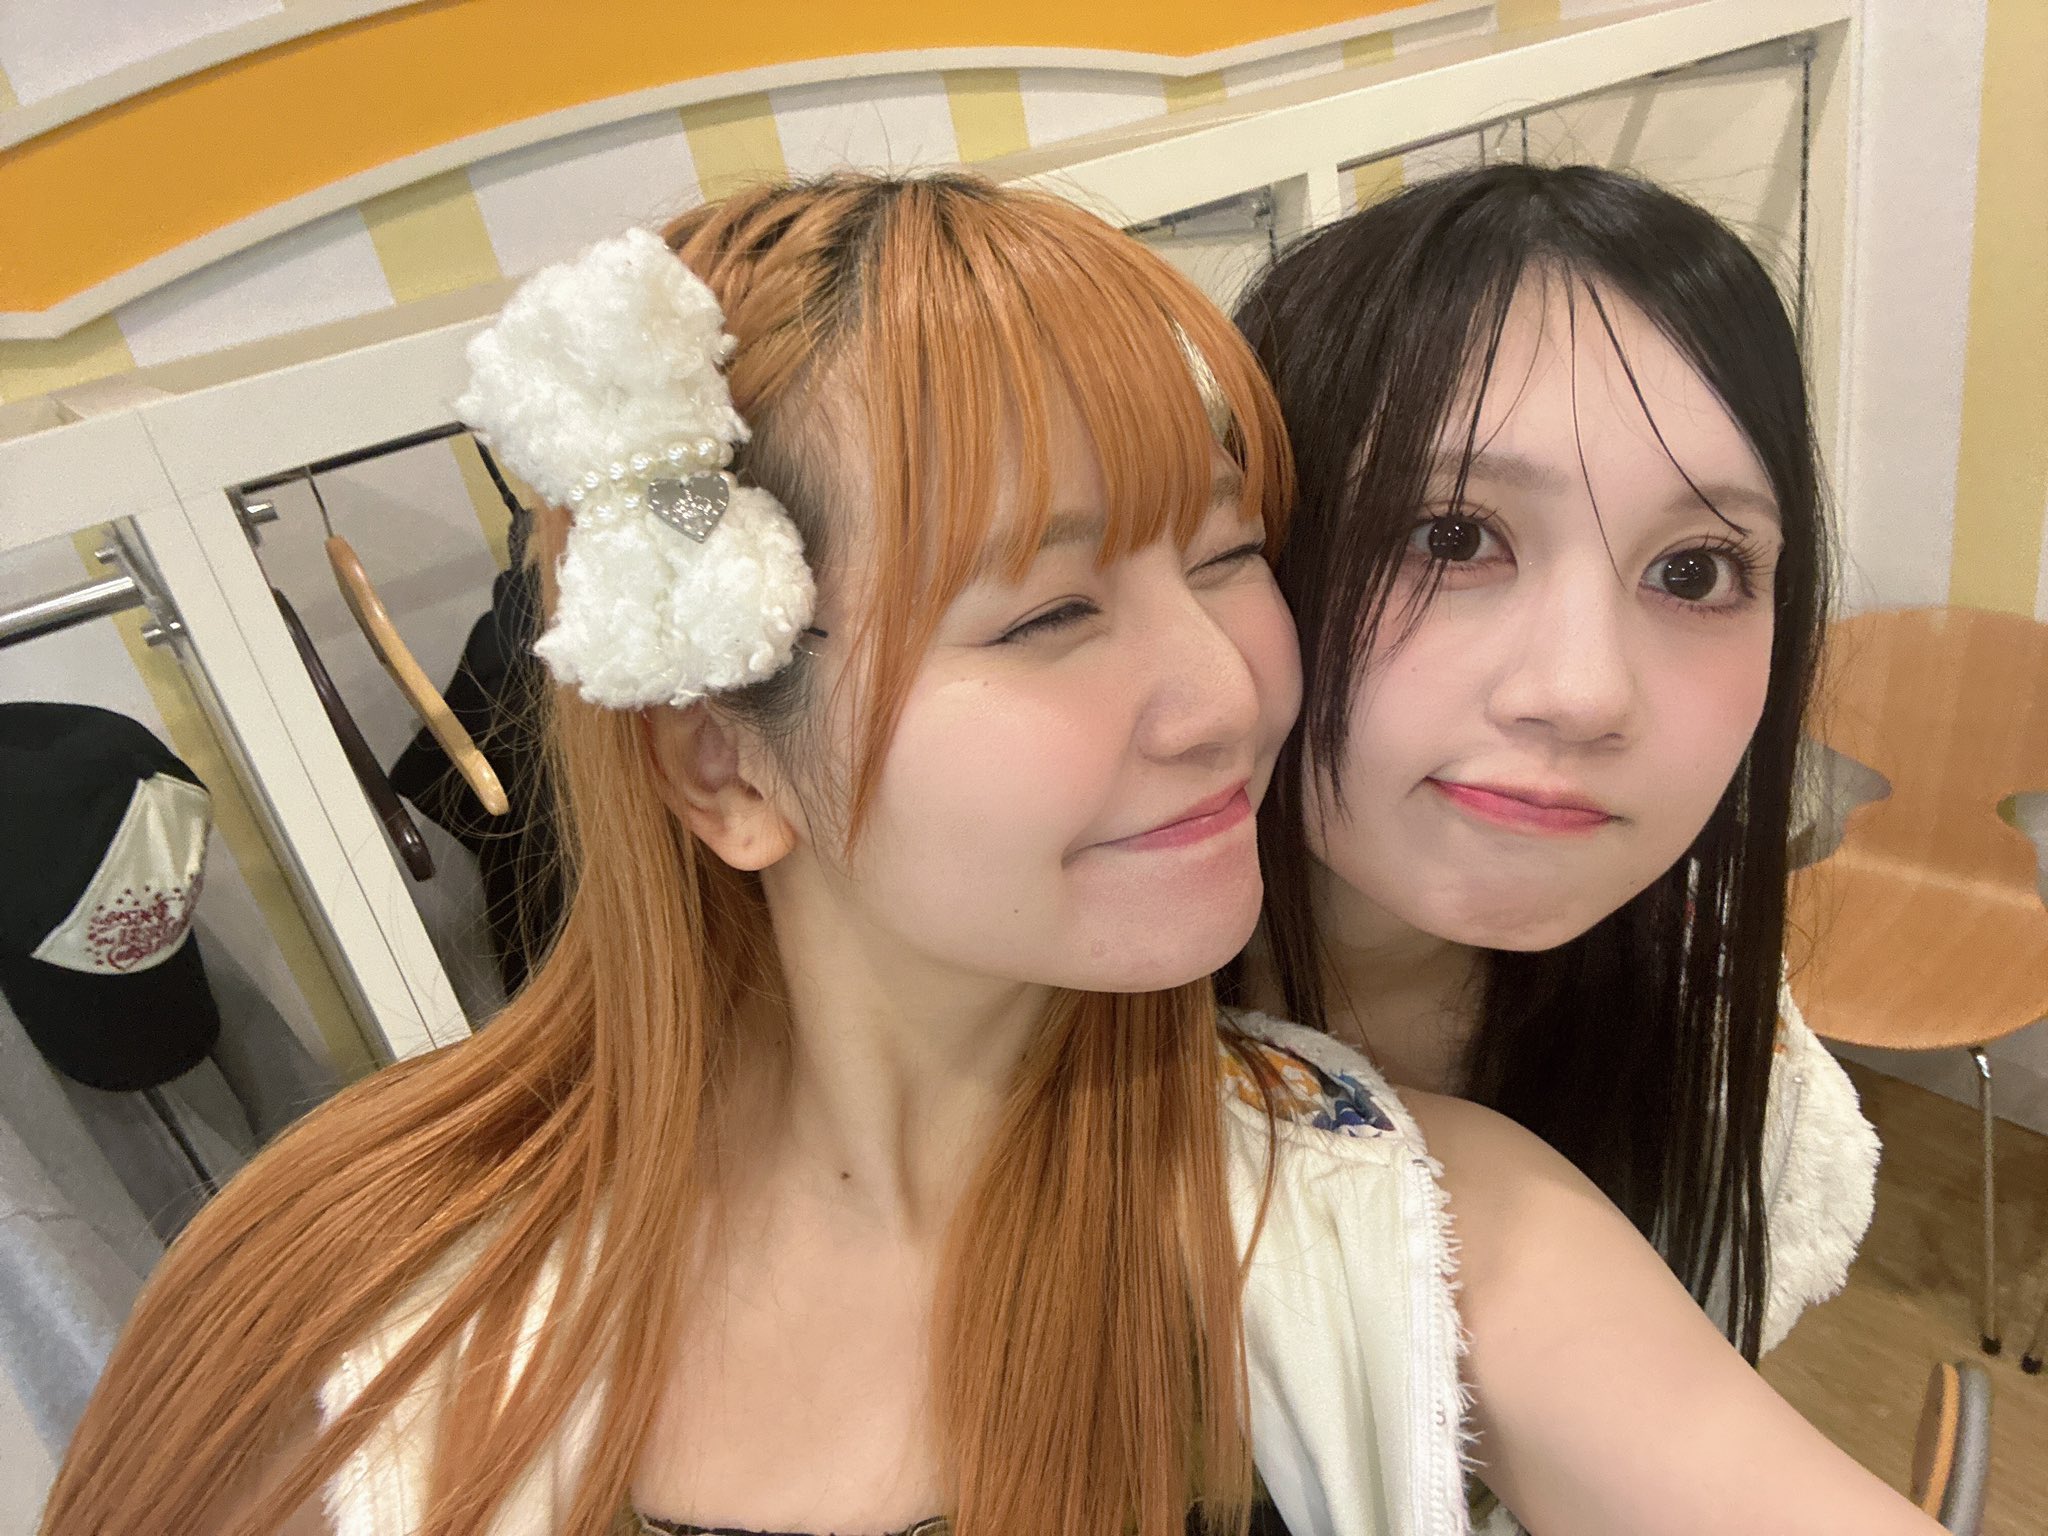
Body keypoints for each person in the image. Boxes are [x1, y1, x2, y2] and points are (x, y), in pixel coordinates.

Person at [41, 174, 1934, 1536]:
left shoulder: (1391, 1210)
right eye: (1047, 613)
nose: (1229, 689)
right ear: (724, 763)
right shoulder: (362, 1304)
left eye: (1225, 558)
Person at [1230, 163, 1878, 1372]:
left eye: (1693, 570)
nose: (1583, 694)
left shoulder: (1738, 1092)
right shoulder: (1023, 1076)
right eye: (1450, 537)